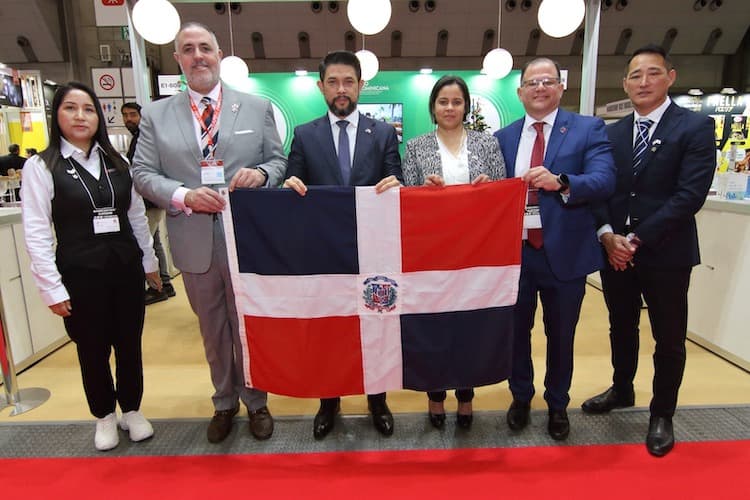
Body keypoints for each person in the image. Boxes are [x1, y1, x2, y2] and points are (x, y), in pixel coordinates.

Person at [132, 22, 287, 444]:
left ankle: (256, 401)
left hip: (247, 239)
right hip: (193, 237)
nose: (198, 55)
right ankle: (223, 401)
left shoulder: (255, 108)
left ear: (219, 55)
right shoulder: (156, 115)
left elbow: (278, 161)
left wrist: (261, 174)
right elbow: (142, 173)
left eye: (205, 48)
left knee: (247, 326)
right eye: (188, 49)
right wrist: (183, 194)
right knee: (213, 329)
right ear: (178, 60)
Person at [581, 44, 715, 457]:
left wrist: (635, 240)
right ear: (624, 84)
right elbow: (600, 189)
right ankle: (622, 389)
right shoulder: (611, 133)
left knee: (668, 337)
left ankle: (662, 413)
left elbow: (689, 196)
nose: (644, 82)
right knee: (621, 326)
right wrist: (607, 235)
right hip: (614, 251)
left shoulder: (695, 127)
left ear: (670, 77)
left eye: (653, 73)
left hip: (666, 253)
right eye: (635, 75)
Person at [21, 82, 160, 451]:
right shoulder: (42, 166)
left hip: (125, 268)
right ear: (56, 115)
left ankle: (132, 409)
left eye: (88, 109)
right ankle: (104, 415)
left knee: (129, 344)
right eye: (70, 108)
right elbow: (36, 231)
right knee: (92, 348)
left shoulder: (118, 162)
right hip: (80, 273)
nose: (80, 116)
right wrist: (51, 287)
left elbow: (136, 217)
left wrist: (149, 262)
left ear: (99, 116)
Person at [494, 57, 615, 441]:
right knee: (516, 333)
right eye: (532, 82)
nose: (540, 88)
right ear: (520, 92)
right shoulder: (503, 137)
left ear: (561, 87)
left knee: (561, 335)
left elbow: (604, 180)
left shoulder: (587, 128)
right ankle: (520, 396)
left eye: (548, 81)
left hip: (565, 253)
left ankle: (558, 403)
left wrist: (561, 182)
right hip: (515, 255)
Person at [284, 50, 402, 440]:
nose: (341, 90)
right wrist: (289, 184)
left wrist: (396, 183)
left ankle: (377, 399)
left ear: (360, 86)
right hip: (323, 250)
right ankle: (328, 400)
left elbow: (397, 179)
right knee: (328, 329)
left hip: (373, 250)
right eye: (333, 82)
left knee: (377, 323)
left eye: (348, 82)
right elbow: (293, 179)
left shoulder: (383, 133)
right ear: (321, 86)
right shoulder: (305, 134)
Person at [402, 74, 506, 430]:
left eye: (457, 102)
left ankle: (465, 395)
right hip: (431, 254)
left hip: (476, 253)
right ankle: (435, 396)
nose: (450, 108)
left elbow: (501, 189)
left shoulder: (486, 143)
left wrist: (488, 189)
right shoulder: (415, 146)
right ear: (433, 107)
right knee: (434, 324)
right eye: (443, 102)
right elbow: (407, 198)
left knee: (469, 326)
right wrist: (424, 191)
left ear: (466, 107)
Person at [121, 101, 175, 304]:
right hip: (148, 201)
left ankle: (156, 287)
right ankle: (165, 283)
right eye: (125, 115)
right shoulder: (138, 138)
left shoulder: (145, 139)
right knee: (155, 242)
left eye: (133, 114)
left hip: (149, 202)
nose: (128, 119)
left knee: (145, 243)